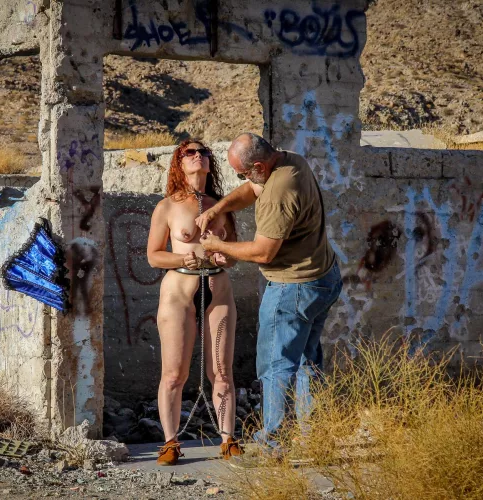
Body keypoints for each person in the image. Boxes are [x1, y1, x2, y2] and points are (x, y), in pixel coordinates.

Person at [197, 132, 343, 452]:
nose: (243, 178)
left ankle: (274, 441)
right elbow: (252, 188)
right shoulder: (290, 161)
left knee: (276, 367)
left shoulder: (279, 191)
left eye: (243, 172)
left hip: (294, 288)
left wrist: (216, 245)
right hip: (323, 278)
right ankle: (312, 436)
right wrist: (218, 208)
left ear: (260, 165)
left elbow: (264, 253)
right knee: (306, 360)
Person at [146, 139, 244, 466]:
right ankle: (170, 442)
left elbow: (233, 256)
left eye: (203, 152)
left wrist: (224, 255)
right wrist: (181, 257)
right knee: (175, 373)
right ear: (179, 161)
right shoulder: (167, 207)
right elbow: (153, 256)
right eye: (190, 152)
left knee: (222, 371)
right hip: (179, 294)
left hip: (218, 292)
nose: (198, 156)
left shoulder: (221, 206)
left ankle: (228, 439)